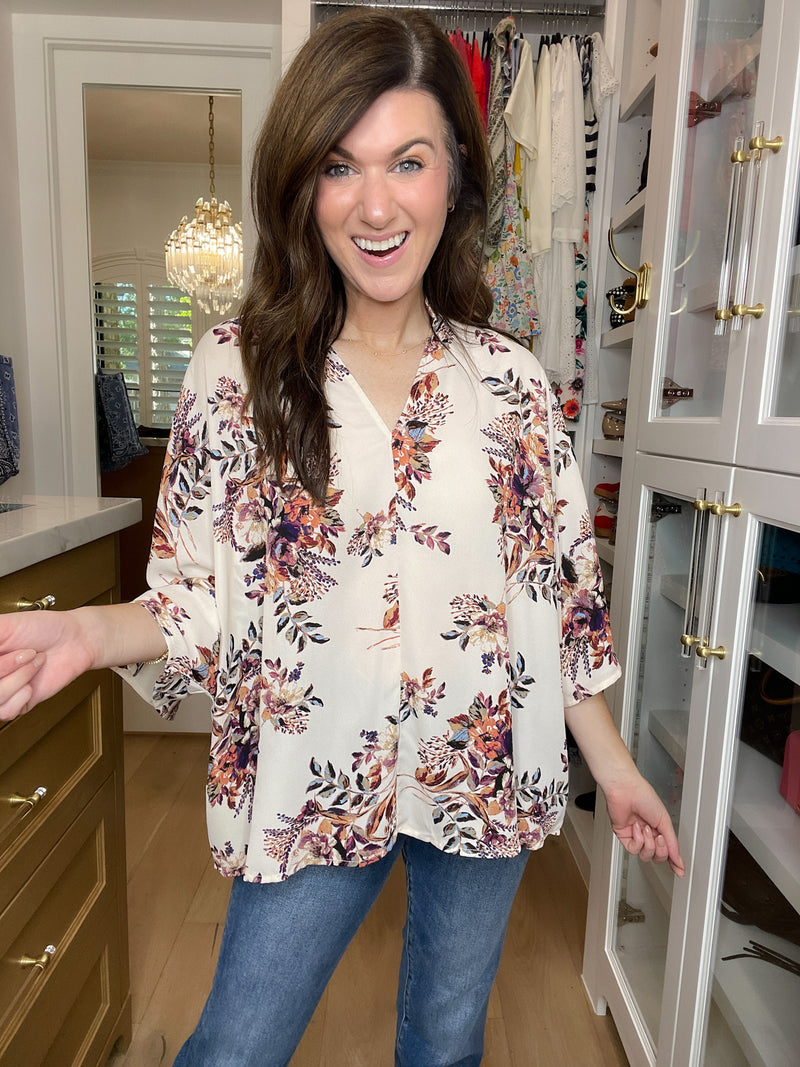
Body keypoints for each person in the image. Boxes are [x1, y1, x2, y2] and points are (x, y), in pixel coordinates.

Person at [0, 9, 684, 1066]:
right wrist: (90, 633)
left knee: (445, 1044)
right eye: (338, 165)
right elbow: (194, 594)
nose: (374, 205)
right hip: (312, 773)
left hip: (485, 769)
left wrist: (619, 768)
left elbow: (553, 605)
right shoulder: (234, 372)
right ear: (301, 185)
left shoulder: (513, 385)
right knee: (234, 1047)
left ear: (453, 177)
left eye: (407, 161)